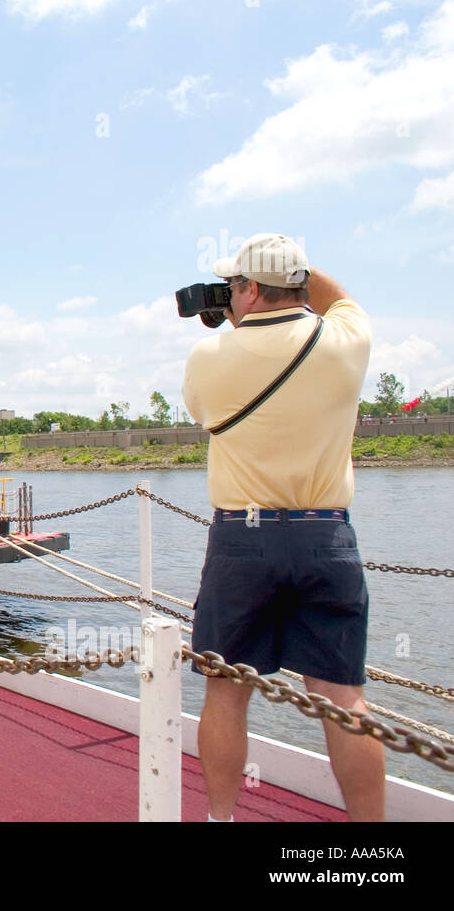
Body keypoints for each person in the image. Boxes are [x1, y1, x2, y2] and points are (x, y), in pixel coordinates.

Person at [182, 232, 381, 822]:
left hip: (243, 539)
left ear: (245, 289)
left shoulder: (211, 358)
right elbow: (336, 295)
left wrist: (236, 316)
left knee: (227, 688)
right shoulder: (347, 339)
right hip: (327, 535)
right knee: (344, 701)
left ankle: (221, 818)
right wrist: (292, 272)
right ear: (297, 285)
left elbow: (205, 413)